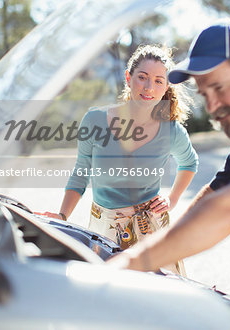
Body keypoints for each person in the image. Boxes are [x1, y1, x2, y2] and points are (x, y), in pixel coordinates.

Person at [107, 18, 230, 286]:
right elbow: (215, 196)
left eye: (219, 88)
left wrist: (125, 266)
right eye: (204, 93)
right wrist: (144, 254)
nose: (212, 107)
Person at [39, 44, 198, 272]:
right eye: (142, 77)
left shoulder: (171, 131)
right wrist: (62, 215)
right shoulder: (95, 120)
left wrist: (172, 200)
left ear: (166, 88)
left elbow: (189, 162)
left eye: (158, 81)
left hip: (152, 230)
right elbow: (81, 173)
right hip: (104, 229)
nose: (149, 87)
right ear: (128, 77)